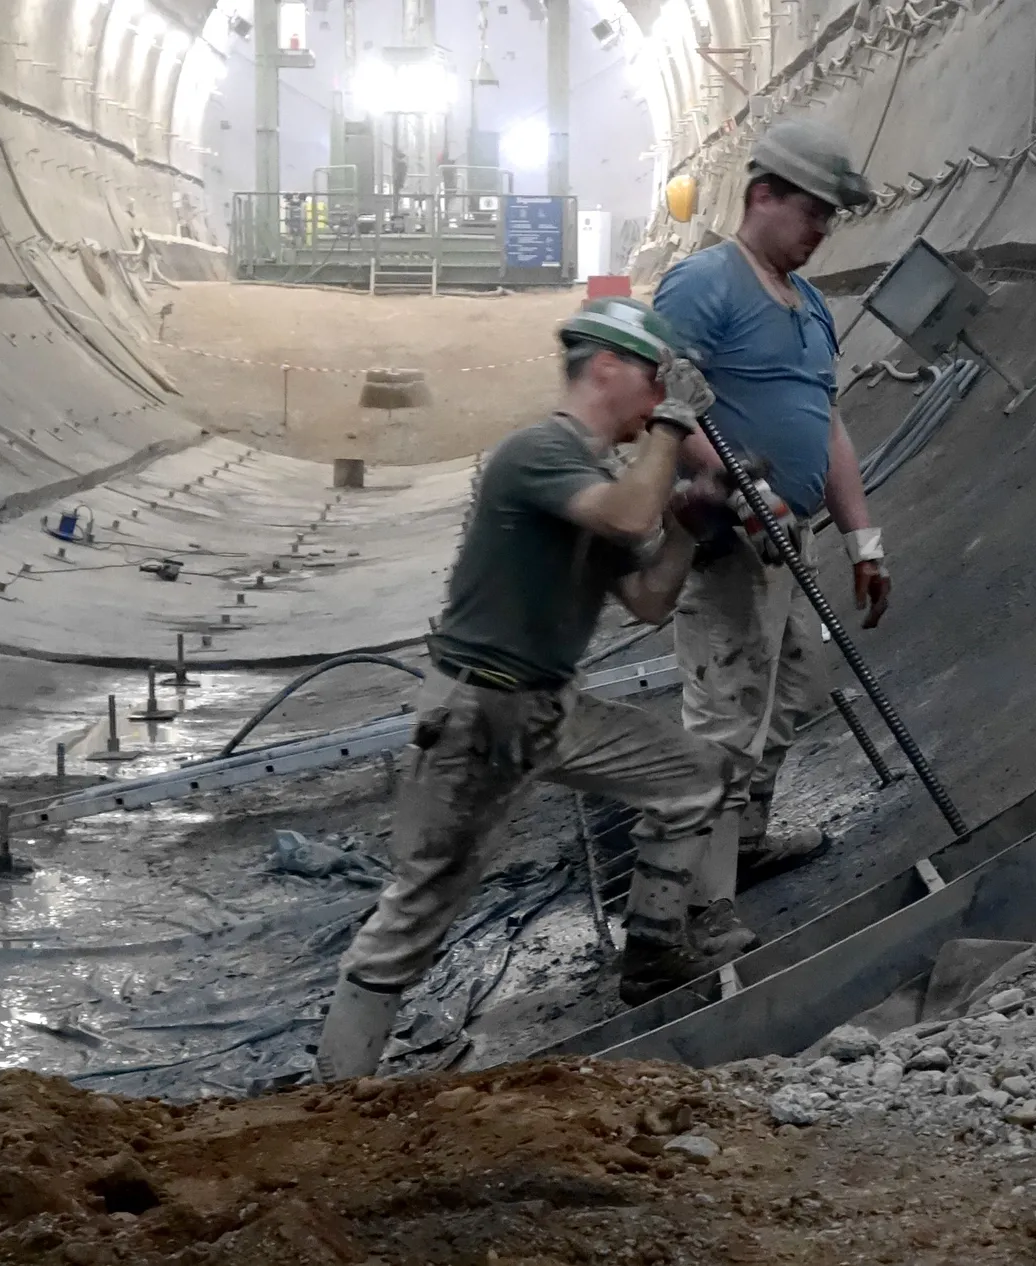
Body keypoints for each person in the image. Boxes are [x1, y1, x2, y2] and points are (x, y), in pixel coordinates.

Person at [314, 298, 752, 1081]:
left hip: (547, 707)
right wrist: (676, 425)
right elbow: (626, 516)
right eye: (654, 384)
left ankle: (652, 957)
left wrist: (690, 528)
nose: (656, 403)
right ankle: (332, 1097)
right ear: (608, 368)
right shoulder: (536, 452)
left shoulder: (590, 479)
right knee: (414, 914)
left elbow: (650, 600)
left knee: (698, 778)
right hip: (476, 713)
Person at [650, 119, 890, 915]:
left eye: (831, 217)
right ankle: (685, 902)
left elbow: (827, 425)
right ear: (762, 195)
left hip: (792, 539)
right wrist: (746, 492)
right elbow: (664, 413)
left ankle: (740, 850)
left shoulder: (812, 307)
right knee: (725, 717)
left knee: (789, 695)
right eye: (814, 211)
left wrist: (862, 539)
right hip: (729, 543)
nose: (823, 230)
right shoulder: (704, 284)